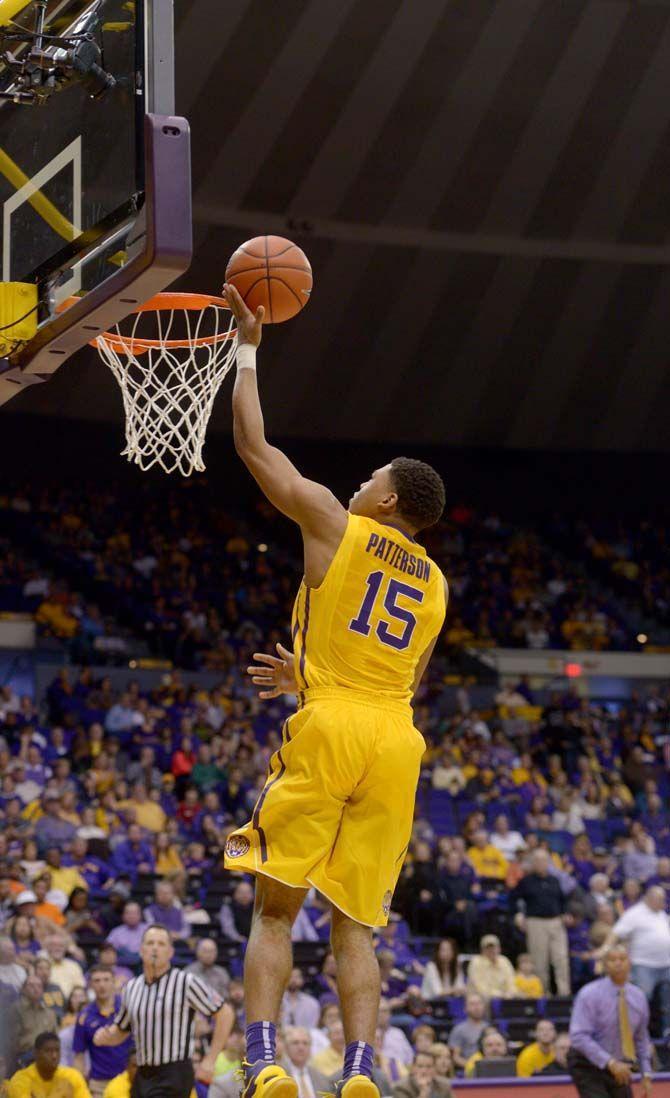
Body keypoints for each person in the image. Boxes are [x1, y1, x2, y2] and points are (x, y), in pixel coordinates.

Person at [222, 281, 447, 1098]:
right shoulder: (439, 586)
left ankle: (265, 1059)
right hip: (396, 742)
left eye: (369, 477)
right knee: (357, 925)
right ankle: (358, 1071)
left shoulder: (334, 523)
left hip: (334, 728)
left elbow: (254, 448)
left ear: (384, 500)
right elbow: (404, 681)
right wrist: (312, 672)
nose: (357, 483)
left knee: (276, 910)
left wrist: (248, 347)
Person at [93, 924, 235, 1096]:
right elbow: (121, 1030)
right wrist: (105, 1036)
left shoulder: (185, 982)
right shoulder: (131, 987)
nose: (155, 948)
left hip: (174, 1071)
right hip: (143, 1071)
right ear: (141, 950)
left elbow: (225, 1013)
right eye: (150, 943)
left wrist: (211, 1059)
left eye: (161, 944)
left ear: (170, 952)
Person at [568, 944, 652, 1098]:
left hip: (620, 1063)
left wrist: (645, 1072)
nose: (618, 963)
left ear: (630, 963)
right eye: (612, 960)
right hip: (587, 1062)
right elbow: (578, 1037)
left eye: (622, 959)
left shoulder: (639, 997)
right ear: (605, 965)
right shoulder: (589, 994)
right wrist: (610, 1063)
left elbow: (641, 1038)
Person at [597, 884, 670, 1037]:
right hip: (643, 965)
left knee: (667, 1003)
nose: (664, 902)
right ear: (650, 898)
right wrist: (604, 949)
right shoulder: (635, 913)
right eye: (661, 899)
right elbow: (616, 932)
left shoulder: (662, 914)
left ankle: (667, 1031)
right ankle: (636, 1031)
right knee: (640, 1000)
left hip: (666, 965)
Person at [512, 849, 570, 995]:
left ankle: (564, 993)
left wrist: (565, 914)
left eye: (544, 860)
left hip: (556, 922)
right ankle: (542, 993)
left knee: (561, 959)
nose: (540, 864)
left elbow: (562, 900)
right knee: (539, 962)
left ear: (548, 863)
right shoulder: (526, 881)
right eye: (537, 861)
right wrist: (519, 914)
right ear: (532, 863)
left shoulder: (554, 880)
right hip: (535, 922)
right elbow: (513, 899)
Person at [73, 964, 132, 1097]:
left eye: (106, 980)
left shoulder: (128, 1008)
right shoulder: (84, 1016)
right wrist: (80, 1084)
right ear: (90, 985)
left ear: (114, 982)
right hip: (99, 1084)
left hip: (129, 1079)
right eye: (97, 980)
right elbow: (79, 1055)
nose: (102, 985)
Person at [6, 1031, 90, 1098]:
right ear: (36, 1053)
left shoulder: (72, 1076)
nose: (54, 1056)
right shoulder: (21, 1080)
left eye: (57, 1050)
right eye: (48, 1051)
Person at [11, 974, 59, 1056]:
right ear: (23, 989)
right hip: (24, 1055)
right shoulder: (15, 1010)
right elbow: (11, 1041)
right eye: (31, 985)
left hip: (47, 1055)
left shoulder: (50, 1013)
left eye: (39, 986)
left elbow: (55, 1038)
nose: (36, 988)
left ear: (43, 990)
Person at [281, 1026, 331, 1096]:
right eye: (295, 1043)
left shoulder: (321, 1078)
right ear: (286, 1047)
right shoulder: (279, 1075)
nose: (301, 1047)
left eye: (305, 1043)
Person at [467, 936, 515, 1000]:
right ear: (482, 950)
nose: (491, 950)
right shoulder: (476, 961)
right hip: (481, 1000)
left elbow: (511, 983)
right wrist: (501, 994)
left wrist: (510, 993)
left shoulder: (504, 961)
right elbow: (480, 988)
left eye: (494, 947)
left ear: (499, 949)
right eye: (488, 948)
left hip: (503, 999)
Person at [447, 994, 487, 1071]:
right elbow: (455, 1057)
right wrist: (472, 1067)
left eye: (479, 1003)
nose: (476, 1007)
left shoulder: (489, 1028)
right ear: (465, 1009)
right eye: (472, 1004)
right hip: (468, 1071)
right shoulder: (459, 1030)